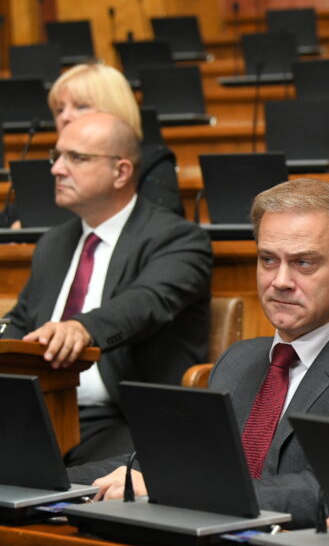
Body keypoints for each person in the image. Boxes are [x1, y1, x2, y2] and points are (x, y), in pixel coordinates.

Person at [74, 179, 329, 529]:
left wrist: (176, 491)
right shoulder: (238, 359)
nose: (280, 281)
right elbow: (167, 461)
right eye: (268, 259)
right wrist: (58, 483)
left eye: (304, 263)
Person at [2, 112, 211, 465]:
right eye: (57, 156)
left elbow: (147, 302)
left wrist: (81, 328)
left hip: (125, 420)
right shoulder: (54, 243)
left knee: (63, 480)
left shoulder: (178, 239)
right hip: (42, 412)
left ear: (121, 172)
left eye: (76, 158)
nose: (57, 169)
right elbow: (22, 319)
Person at [49, 63, 182, 216]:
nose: (65, 117)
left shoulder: (152, 162)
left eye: (81, 106)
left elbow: (161, 224)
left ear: (114, 109)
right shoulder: (57, 165)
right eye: (60, 109)